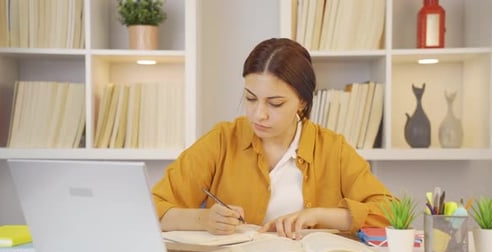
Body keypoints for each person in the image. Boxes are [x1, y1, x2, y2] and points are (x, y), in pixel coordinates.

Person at [152, 37, 394, 238]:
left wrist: (318, 215)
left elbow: (391, 213)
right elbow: (152, 206)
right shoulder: (222, 140)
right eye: (250, 98)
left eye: (275, 103)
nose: (259, 114)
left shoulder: (332, 148)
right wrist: (204, 219)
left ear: (302, 102)